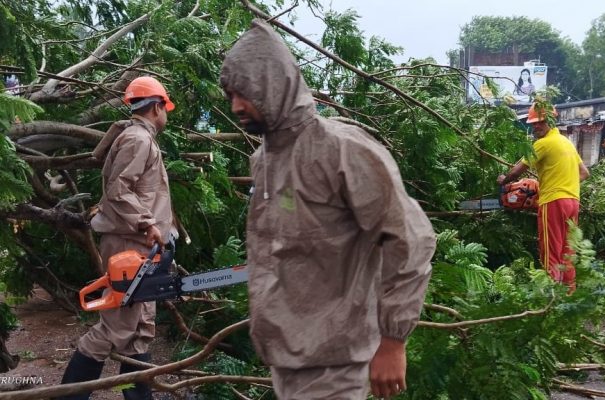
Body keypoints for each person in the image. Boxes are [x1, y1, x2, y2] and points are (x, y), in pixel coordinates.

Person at [220, 20, 436, 400]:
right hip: (287, 357)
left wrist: (392, 341)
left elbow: (411, 239)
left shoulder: (342, 150)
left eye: (245, 92)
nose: (236, 105)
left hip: (336, 360)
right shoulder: (265, 160)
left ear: (274, 85)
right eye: (230, 94)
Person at [55, 76, 176, 400]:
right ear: (156, 106)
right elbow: (118, 190)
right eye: (165, 107)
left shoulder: (139, 138)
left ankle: (136, 395)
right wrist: (148, 223)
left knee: (139, 329)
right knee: (116, 326)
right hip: (128, 242)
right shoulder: (138, 140)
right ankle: (70, 395)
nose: (167, 114)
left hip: (140, 245)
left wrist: (165, 230)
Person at [497, 103, 589, 292]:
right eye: (533, 123)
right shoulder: (567, 142)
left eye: (540, 122)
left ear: (551, 121)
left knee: (551, 251)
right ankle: (569, 294)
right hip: (573, 201)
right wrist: (562, 183)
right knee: (567, 251)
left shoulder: (543, 144)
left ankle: (550, 297)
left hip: (554, 202)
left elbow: (517, 171)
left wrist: (503, 180)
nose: (536, 126)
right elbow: (584, 173)